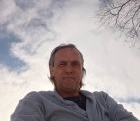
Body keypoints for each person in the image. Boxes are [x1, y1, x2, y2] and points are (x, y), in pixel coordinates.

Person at [11, 43, 139, 121]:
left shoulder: (102, 99)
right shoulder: (35, 101)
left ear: (82, 70)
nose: (69, 69)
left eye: (75, 64)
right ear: (52, 70)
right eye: (62, 64)